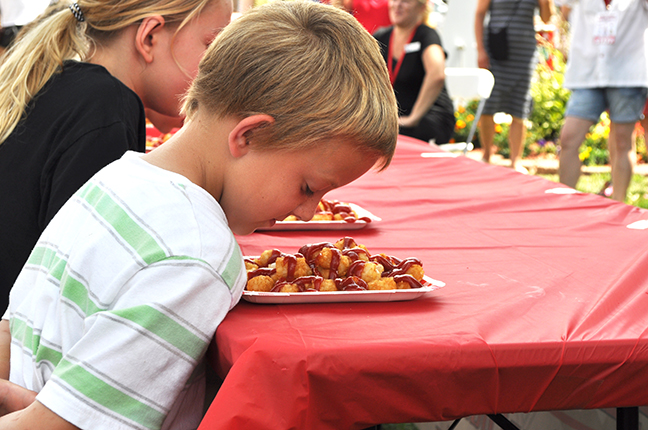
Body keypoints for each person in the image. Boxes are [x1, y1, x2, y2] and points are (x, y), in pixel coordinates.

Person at [0, 1, 399, 428]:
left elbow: (11, 330)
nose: (305, 213)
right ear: (248, 134)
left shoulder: (114, 177)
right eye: (308, 188)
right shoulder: (197, 254)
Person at [0, 0, 233, 312]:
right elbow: (88, 287)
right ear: (149, 37)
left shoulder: (65, 83)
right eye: (211, 45)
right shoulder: (105, 107)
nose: (217, 69)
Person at [557, 0, 648, 202]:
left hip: (627, 75)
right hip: (587, 74)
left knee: (622, 141)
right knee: (569, 137)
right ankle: (563, 202)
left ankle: (618, 201)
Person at [475, 0, 554, 171]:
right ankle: (487, 155)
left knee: (520, 105)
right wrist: (480, 49)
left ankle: (515, 160)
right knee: (489, 104)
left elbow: (547, 18)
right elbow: (480, 13)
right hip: (495, 51)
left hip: (523, 54)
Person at [373, 0, 455, 145]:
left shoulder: (426, 35)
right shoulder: (381, 36)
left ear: (421, 7)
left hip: (426, 117)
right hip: (395, 118)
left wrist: (413, 118)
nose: (397, 5)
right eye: (394, 0)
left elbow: (437, 75)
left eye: (406, 1)